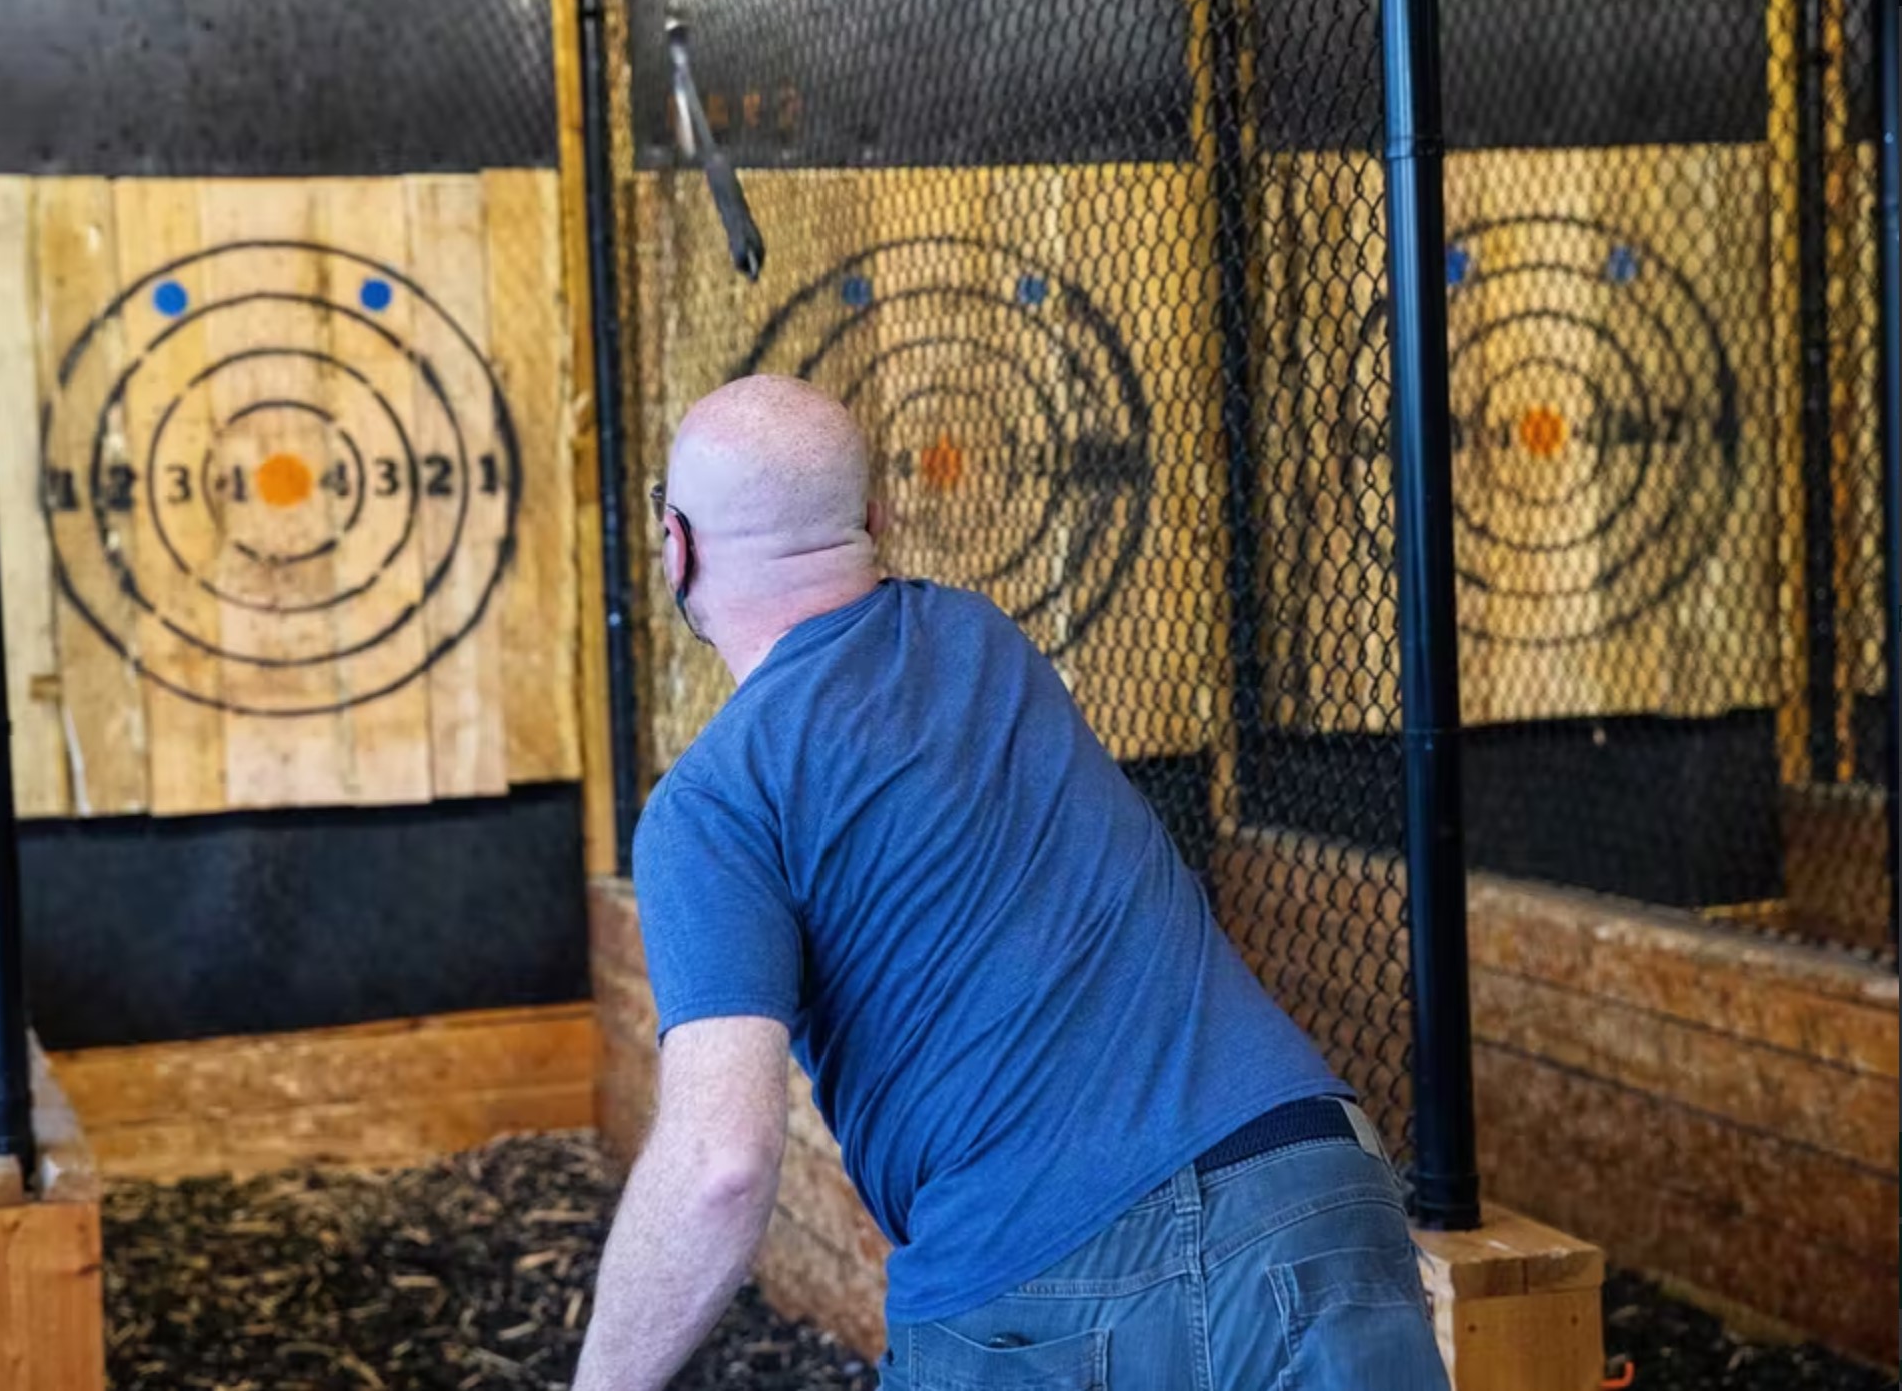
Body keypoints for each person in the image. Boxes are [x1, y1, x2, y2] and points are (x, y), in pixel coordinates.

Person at [573, 375, 1448, 1391]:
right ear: (876, 519)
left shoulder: (712, 803)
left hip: (1043, 1278)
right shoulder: (985, 639)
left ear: (674, 546)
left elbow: (719, 1165)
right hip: (1318, 1190)